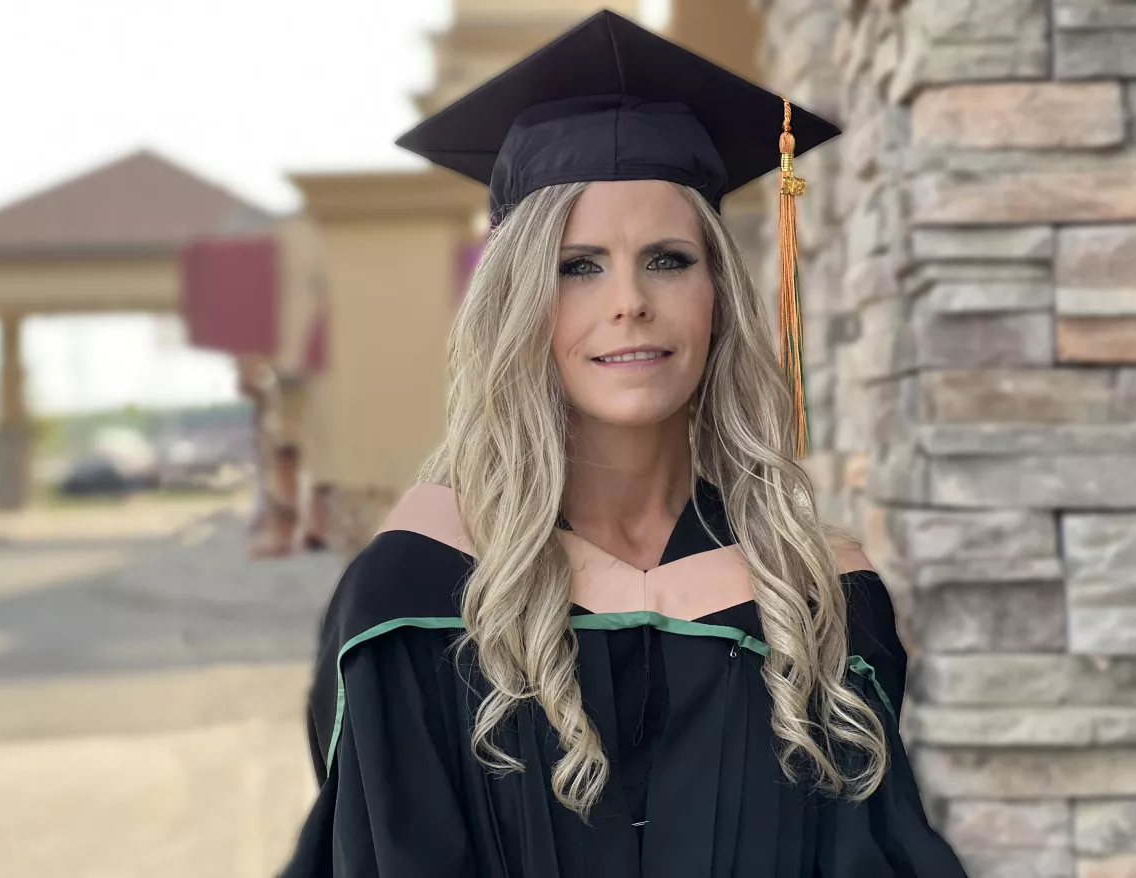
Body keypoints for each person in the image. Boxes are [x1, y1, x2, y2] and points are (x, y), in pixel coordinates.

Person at [282, 10, 969, 877]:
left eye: (670, 260)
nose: (629, 302)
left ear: (721, 294)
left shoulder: (815, 597)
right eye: (578, 266)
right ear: (517, 304)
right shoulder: (414, 598)